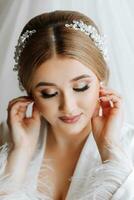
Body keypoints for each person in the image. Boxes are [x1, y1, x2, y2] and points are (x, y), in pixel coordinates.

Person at [0, 10, 134, 200]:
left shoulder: (129, 146)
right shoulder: (7, 139)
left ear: (101, 79)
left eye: (81, 87)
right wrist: (19, 154)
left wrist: (110, 148)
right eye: (49, 93)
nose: (68, 107)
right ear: (29, 93)